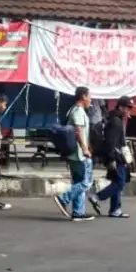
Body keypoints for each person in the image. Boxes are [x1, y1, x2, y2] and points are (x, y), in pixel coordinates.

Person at [53, 86, 95, 221]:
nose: (91, 99)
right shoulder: (78, 111)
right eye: (89, 96)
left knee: (78, 182)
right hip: (79, 154)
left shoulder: (75, 110)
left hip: (75, 153)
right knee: (86, 182)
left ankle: (78, 212)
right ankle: (63, 198)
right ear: (83, 96)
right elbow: (78, 131)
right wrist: (85, 149)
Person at [89, 95, 134, 218]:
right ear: (120, 107)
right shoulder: (115, 121)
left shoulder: (117, 120)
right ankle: (97, 197)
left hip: (119, 155)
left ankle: (115, 209)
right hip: (115, 156)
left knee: (118, 181)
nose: (128, 110)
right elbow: (111, 142)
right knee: (120, 182)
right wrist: (112, 158)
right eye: (127, 108)